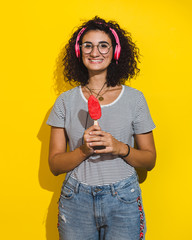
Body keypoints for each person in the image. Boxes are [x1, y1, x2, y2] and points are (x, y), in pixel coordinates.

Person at [47, 16, 156, 240]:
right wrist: (83, 150)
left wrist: (119, 148)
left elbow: (150, 160)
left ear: (115, 52)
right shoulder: (65, 102)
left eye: (103, 45)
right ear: (79, 52)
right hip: (76, 200)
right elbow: (55, 165)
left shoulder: (135, 99)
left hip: (123, 199)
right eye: (88, 45)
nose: (95, 52)